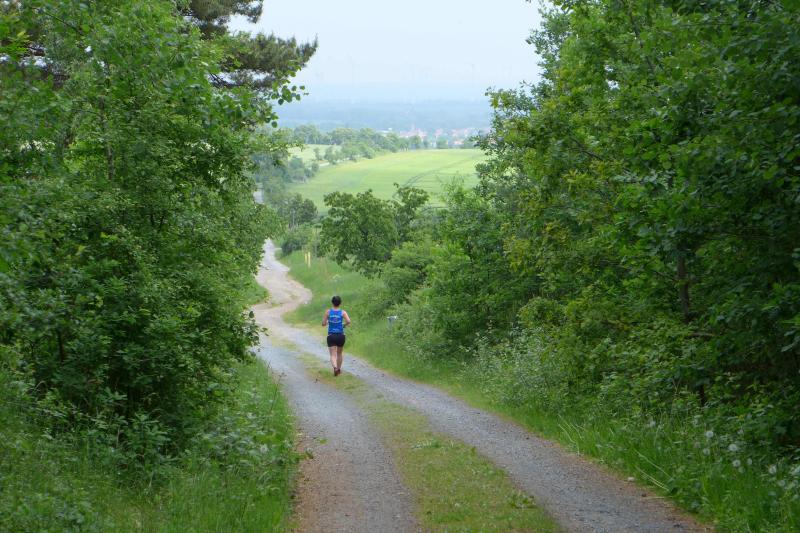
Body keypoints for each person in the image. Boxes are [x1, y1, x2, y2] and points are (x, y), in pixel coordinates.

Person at [322, 295, 351, 376]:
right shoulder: (343, 312)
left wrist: (328, 322)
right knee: (339, 353)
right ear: (340, 303)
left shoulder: (328, 312)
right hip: (340, 335)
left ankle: (335, 368)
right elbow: (348, 321)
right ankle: (338, 369)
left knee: (332, 354)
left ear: (332, 303)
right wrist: (343, 325)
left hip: (331, 335)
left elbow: (323, 324)